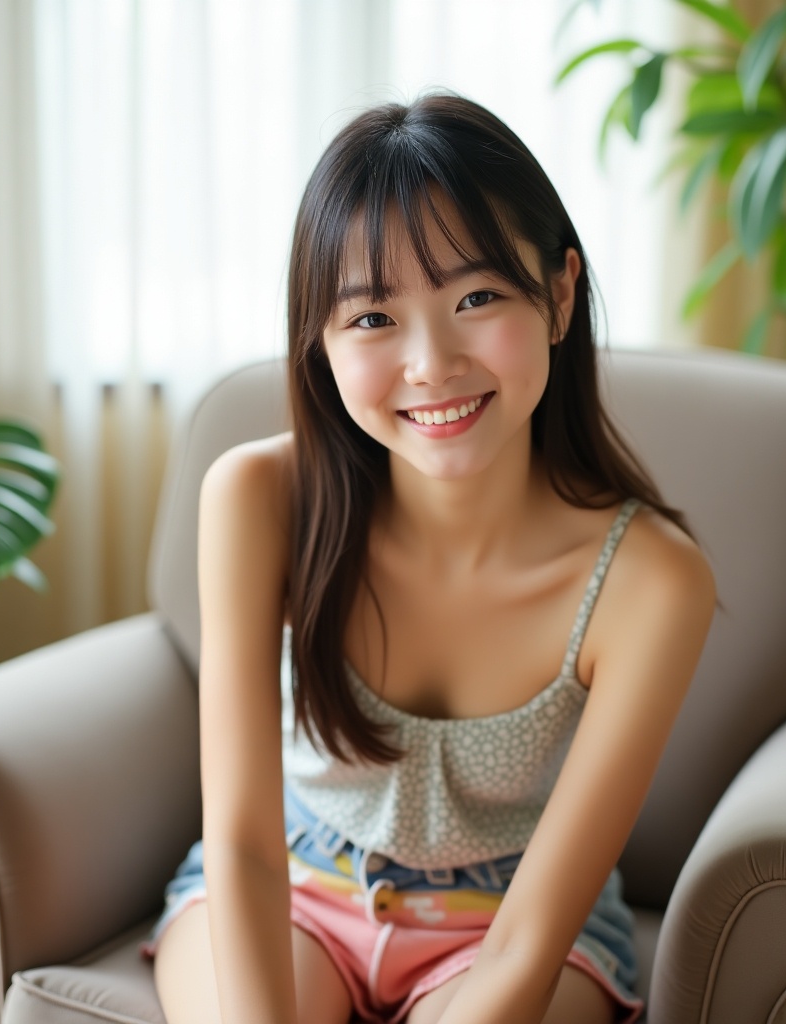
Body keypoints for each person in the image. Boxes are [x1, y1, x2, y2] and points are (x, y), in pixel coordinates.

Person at [147, 93, 716, 1024]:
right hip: (289, 881)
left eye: (477, 297)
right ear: (321, 343)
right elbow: (245, 842)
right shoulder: (256, 500)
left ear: (561, 294)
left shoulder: (652, 581)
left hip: (513, 920)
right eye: (373, 318)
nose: (431, 362)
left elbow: (533, 936)